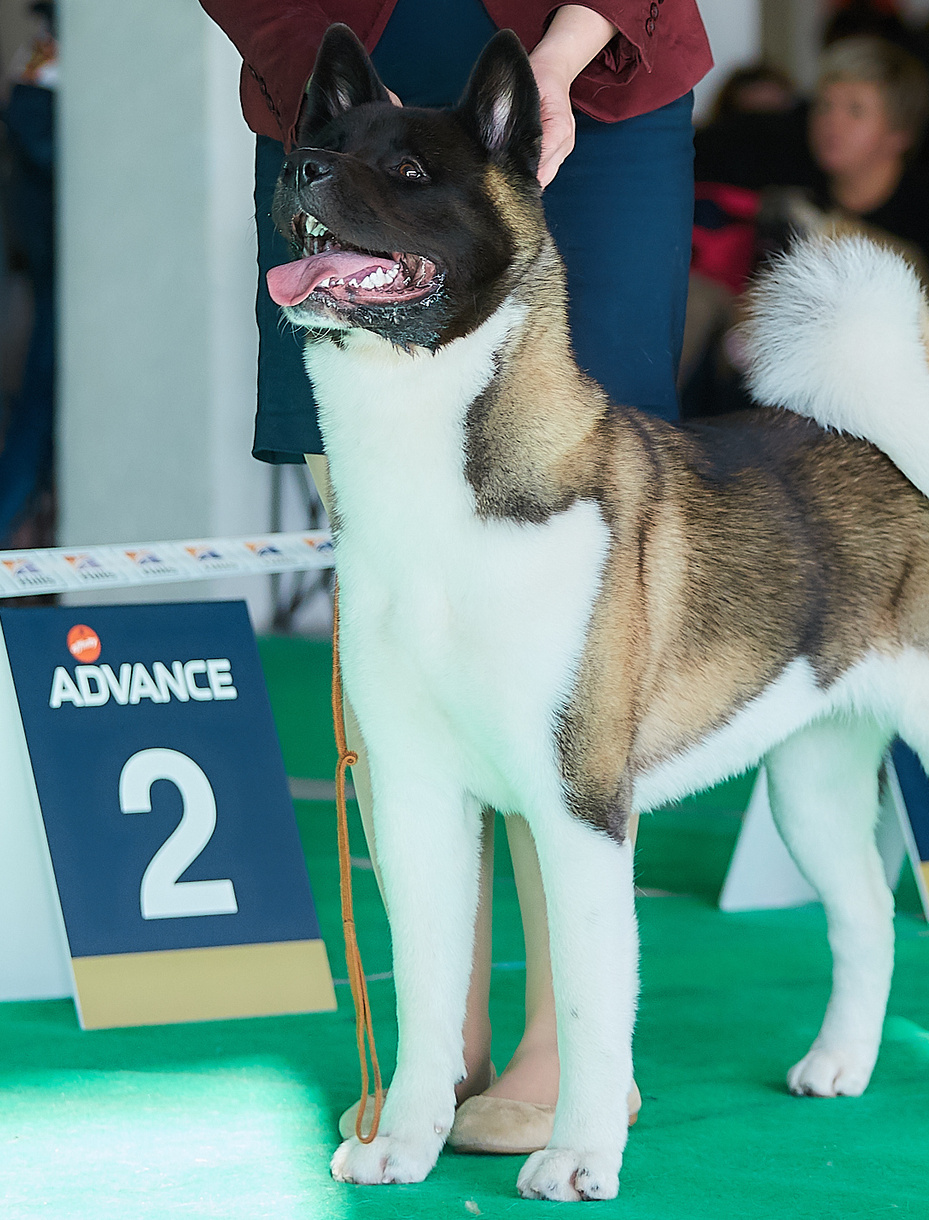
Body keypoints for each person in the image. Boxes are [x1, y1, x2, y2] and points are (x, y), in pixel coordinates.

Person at [201, 0, 711, 1155]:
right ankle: (442, 1042)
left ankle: (565, 1047)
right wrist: (324, 91)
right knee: (395, 600)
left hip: (589, 62)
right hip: (336, 63)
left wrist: (562, 63)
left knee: (560, 602)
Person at [694, 37, 929, 331]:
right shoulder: (793, 194)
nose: (832, 122)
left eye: (855, 110)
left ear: (901, 133)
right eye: (824, 106)